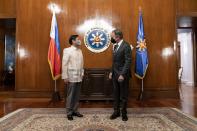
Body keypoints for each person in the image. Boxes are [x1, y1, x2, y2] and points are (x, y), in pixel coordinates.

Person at [109, 29, 132, 121]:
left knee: (123, 94)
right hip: (115, 74)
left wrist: (122, 74)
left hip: (122, 74)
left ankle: (124, 113)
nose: (112, 38)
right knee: (116, 94)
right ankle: (116, 112)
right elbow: (114, 62)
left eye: (112, 36)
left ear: (117, 37)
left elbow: (128, 61)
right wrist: (111, 71)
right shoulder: (115, 46)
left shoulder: (126, 46)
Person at [62, 35, 84, 121]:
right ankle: (69, 112)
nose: (79, 41)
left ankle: (75, 110)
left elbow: (82, 63)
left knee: (77, 95)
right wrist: (65, 76)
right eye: (78, 39)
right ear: (73, 41)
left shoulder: (80, 51)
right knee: (70, 95)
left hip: (79, 76)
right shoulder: (67, 50)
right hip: (71, 77)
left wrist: (82, 73)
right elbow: (64, 64)